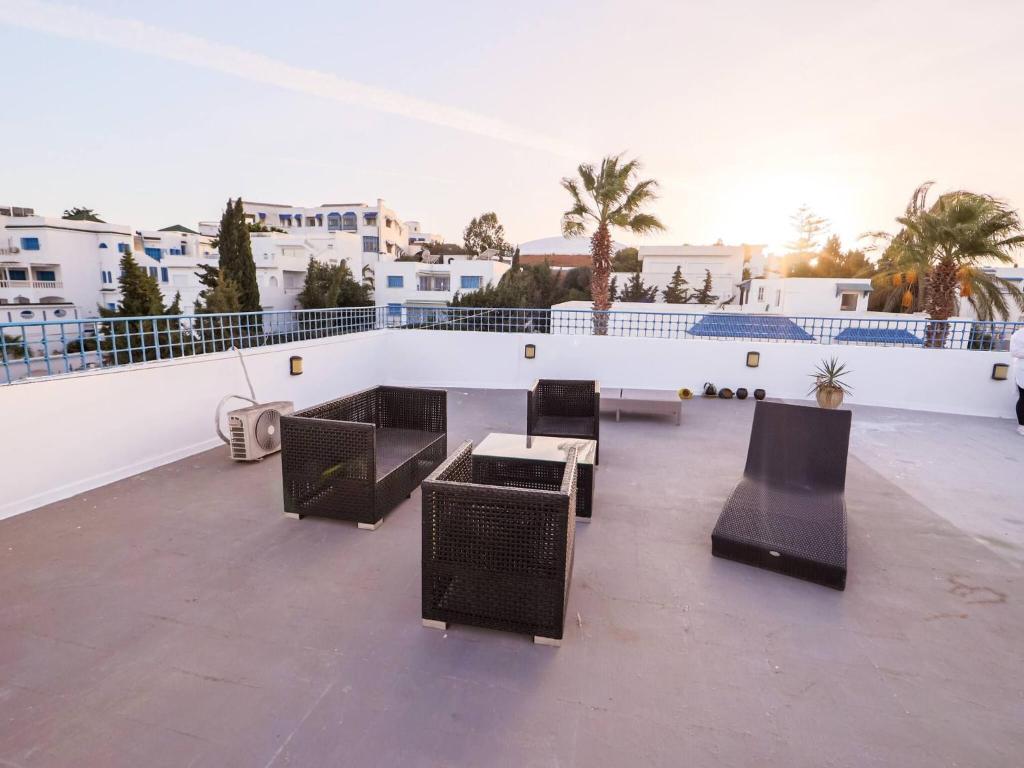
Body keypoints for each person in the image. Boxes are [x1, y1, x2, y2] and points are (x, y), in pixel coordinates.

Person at [1012, 326, 1024, 435]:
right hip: (1022, 371)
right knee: (1023, 398)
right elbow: (1015, 352)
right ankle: (1022, 426)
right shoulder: (1018, 334)